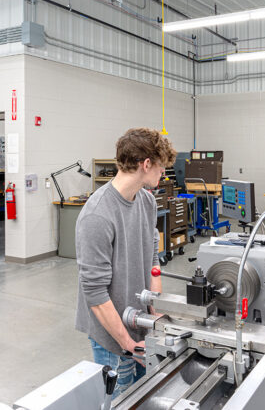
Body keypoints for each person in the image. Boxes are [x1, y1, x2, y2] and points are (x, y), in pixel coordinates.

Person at [74, 127, 176, 397]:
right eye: (161, 167)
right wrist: (127, 343)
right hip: (113, 338)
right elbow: (95, 293)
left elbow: (153, 258)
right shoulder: (97, 215)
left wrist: (154, 312)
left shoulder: (146, 200)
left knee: (146, 396)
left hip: (142, 326)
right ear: (146, 164)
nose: (162, 174)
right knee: (119, 399)